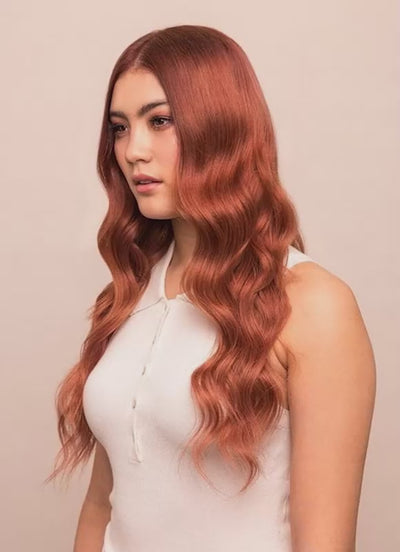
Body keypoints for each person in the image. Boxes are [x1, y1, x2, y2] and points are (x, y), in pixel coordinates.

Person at [45, 24, 376, 552]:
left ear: (221, 126)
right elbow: (102, 505)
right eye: (120, 128)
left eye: (160, 121)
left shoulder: (313, 304)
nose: (133, 151)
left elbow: (325, 542)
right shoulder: (128, 296)